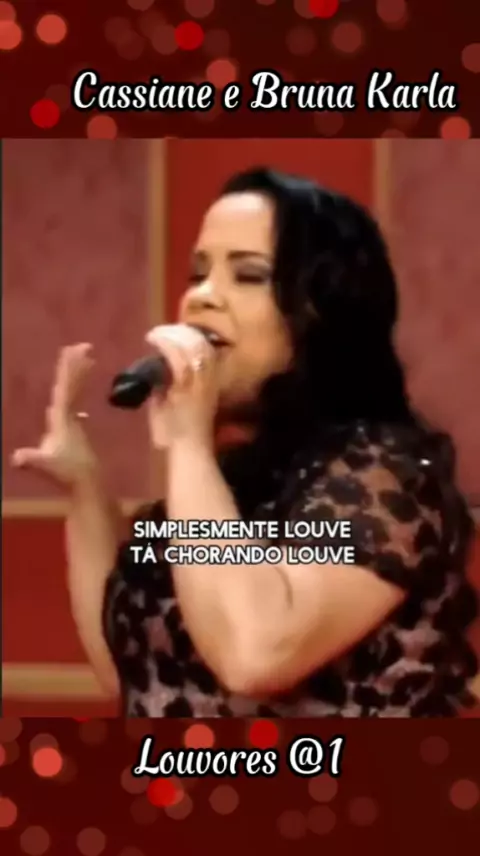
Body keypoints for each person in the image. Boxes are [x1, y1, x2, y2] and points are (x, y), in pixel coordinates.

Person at [12, 167, 479, 717]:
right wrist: (84, 484)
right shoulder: (227, 487)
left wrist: (187, 441)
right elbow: (133, 671)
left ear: (321, 314)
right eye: (198, 273)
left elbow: (254, 654)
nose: (201, 298)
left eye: (248, 275)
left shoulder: (386, 477)